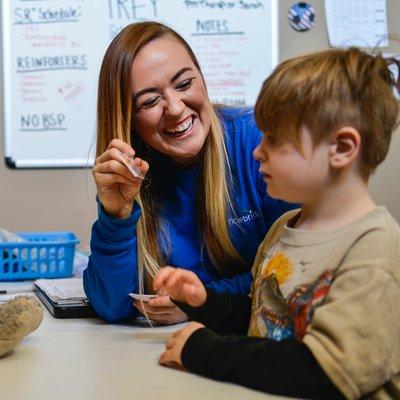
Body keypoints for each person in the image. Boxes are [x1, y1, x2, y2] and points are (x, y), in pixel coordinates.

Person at [153, 47, 400, 399]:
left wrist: (204, 350)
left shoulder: (374, 246)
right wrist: (202, 301)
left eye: (274, 139)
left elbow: (323, 370)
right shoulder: (285, 227)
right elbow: (266, 315)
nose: (257, 151)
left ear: (342, 148)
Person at [83, 21, 295, 324]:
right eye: (150, 101)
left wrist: (200, 303)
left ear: (203, 79)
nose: (175, 109)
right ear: (129, 119)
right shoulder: (130, 171)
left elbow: (296, 274)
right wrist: (115, 216)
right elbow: (112, 305)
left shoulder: (258, 143)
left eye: (184, 84)